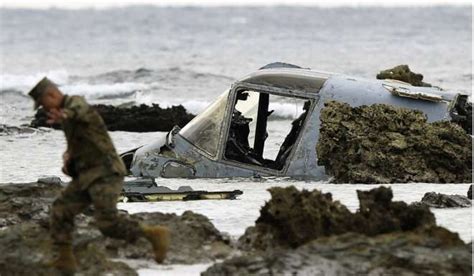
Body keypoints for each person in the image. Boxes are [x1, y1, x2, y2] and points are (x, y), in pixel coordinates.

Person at [28, 77, 170, 274]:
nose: (45, 109)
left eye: (44, 104)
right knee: (60, 210)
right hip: (86, 176)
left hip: (106, 173)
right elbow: (80, 141)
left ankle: (152, 234)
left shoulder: (76, 104)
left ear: (52, 95)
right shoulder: (67, 119)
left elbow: (80, 112)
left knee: (107, 223)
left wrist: (65, 115)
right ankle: (64, 261)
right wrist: (69, 158)